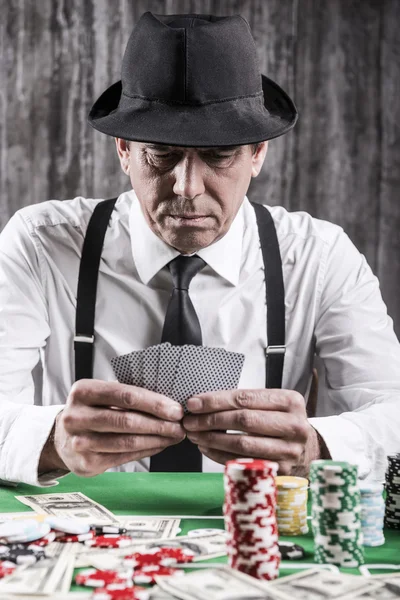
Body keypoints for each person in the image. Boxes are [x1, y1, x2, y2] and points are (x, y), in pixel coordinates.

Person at [0, 12, 399, 488]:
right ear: (124, 149)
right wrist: (51, 441)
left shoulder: (319, 256)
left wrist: (315, 447)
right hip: (84, 537)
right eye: (161, 154)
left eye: (218, 155)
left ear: (258, 154)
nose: (187, 188)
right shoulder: (41, 244)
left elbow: (392, 416)